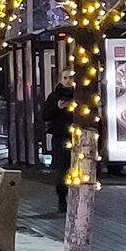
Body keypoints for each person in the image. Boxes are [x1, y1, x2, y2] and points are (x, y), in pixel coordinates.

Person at [42, 68, 76, 213]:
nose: (68, 81)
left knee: (76, 169)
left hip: (77, 137)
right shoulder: (55, 96)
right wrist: (58, 107)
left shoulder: (81, 95)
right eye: (65, 78)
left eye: (71, 78)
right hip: (61, 136)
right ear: (61, 79)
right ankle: (62, 198)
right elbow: (45, 115)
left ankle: (76, 199)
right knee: (62, 169)